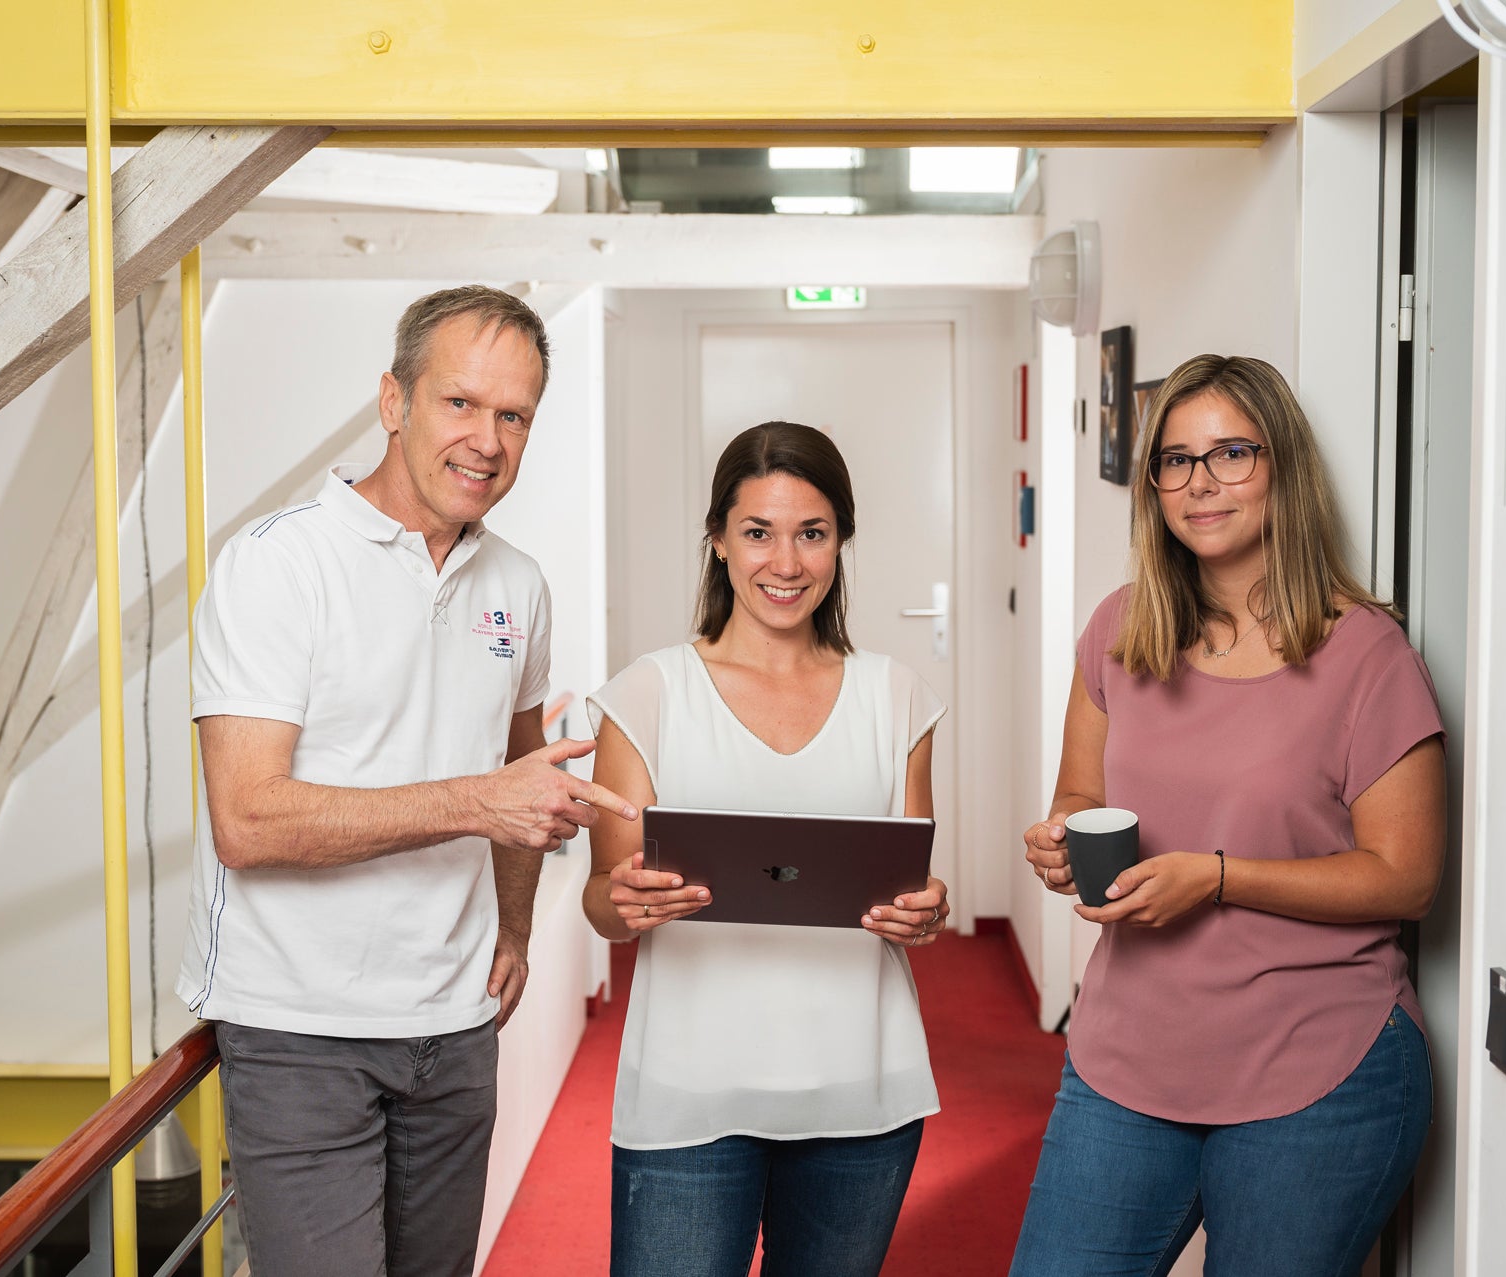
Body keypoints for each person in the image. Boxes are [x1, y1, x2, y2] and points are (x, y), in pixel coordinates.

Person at [176, 285, 638, 1277]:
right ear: (393, 400)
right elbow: (248, 821)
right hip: (301, 1031)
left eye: (514, 415)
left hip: (454, 1029)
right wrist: (475, 801)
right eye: (459, 403)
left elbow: (523, 769)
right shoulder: (277, 564)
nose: (487, 439)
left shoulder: (517, 584)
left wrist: (513, 924)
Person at [1010, 355, 1446, 1276]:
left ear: (1283, 465)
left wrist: (1214, 877)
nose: (1199, 482)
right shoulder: (1121, 630)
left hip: (1319, 1066)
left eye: (1231, 453)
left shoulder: (1367, 654)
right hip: (1127, 1056)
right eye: (1174, 460)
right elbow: (1080, 797)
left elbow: (1405, 874)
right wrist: (1060, 841)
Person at [583, 422, 950, 1277]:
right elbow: (604, 902)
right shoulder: (649, 693)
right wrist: (626, 899)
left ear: (840, 541)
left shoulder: (896, 697)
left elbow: (913, 895)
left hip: (862, 1090)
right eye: (757, 532)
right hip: (689, 1095)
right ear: (717, 539)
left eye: (811, 533)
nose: (785, 563)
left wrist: (922, 914)